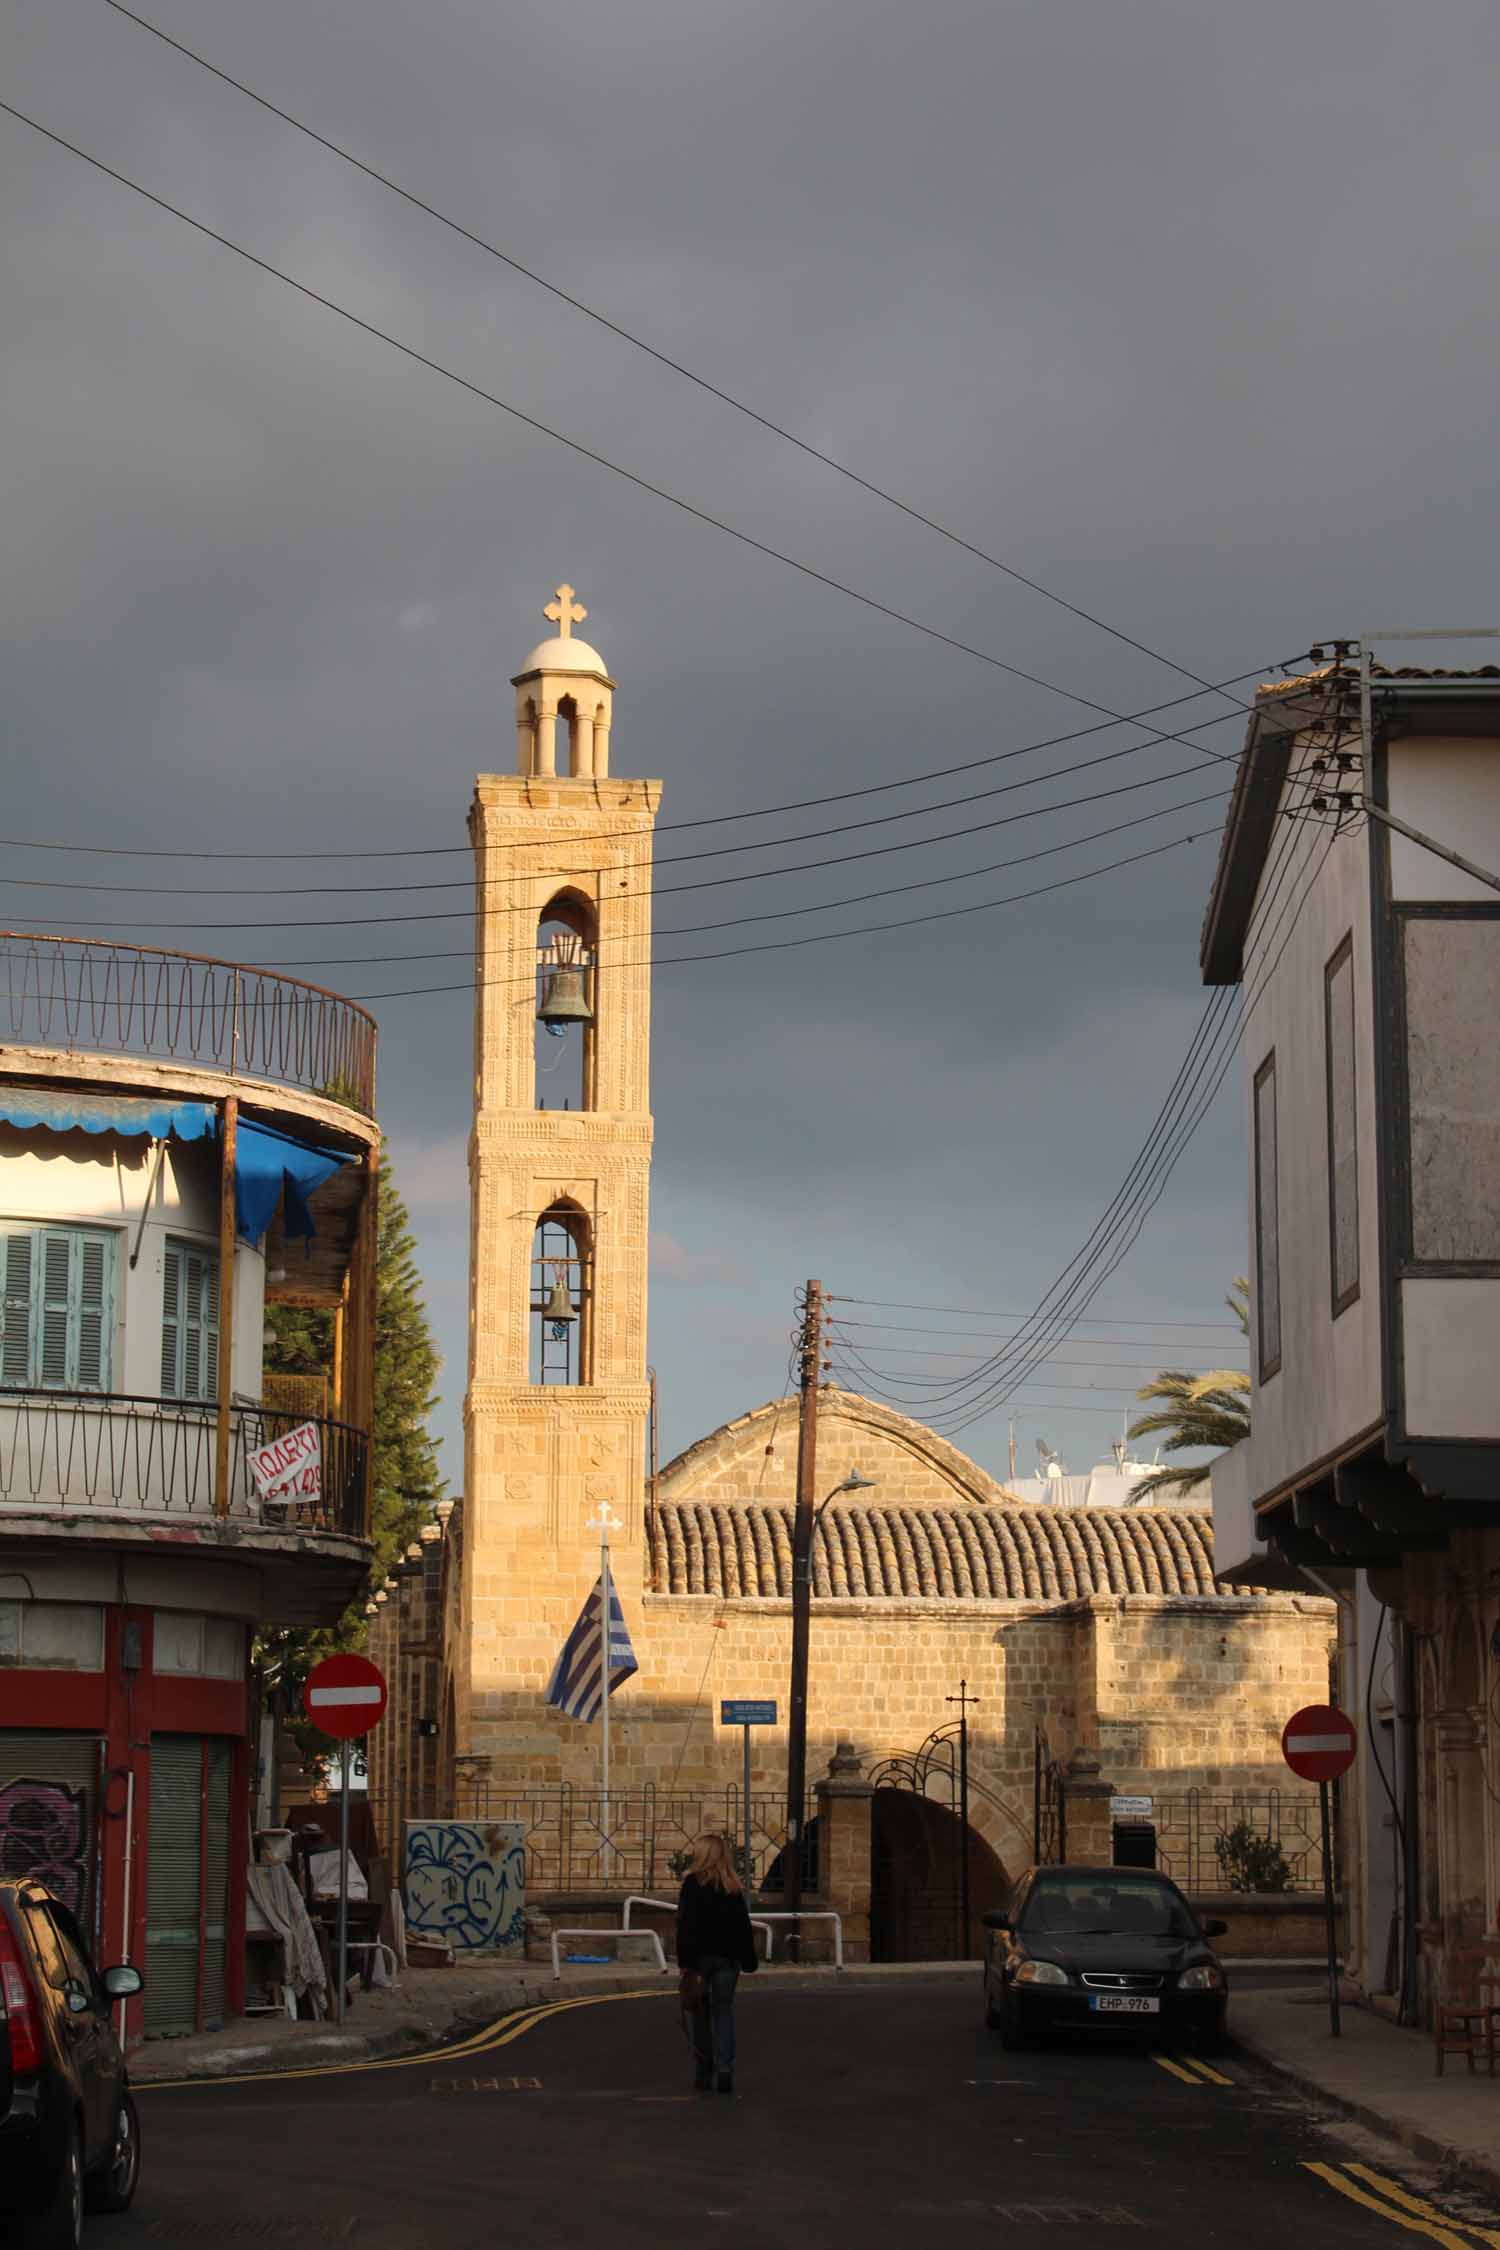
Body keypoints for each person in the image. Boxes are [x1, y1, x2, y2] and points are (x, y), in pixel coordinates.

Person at [676, 1832, 758, 2094]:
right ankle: (725, 2069)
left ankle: (703, 2071)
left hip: (700, 1960)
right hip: (727, 1960)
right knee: (724, 2013)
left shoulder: (691, 1885)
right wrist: (749, 1960)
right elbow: (743, 1927)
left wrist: (685, 1963)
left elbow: (685, 1927)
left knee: (700, 2015)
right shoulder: (732, 1886)